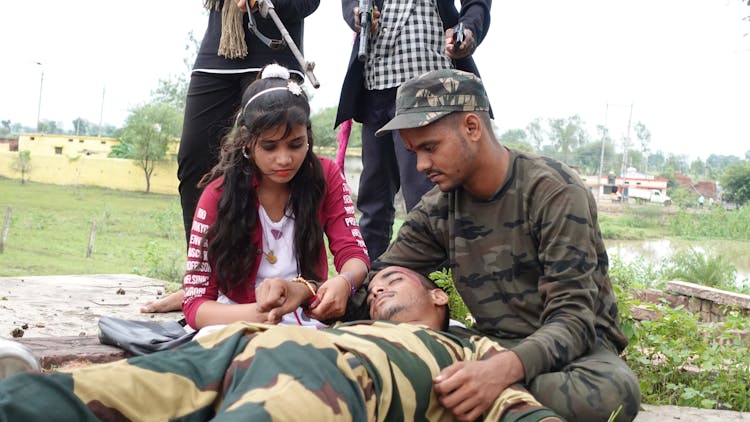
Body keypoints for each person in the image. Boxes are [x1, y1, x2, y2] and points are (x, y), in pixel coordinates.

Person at [354, 69, 641, 421]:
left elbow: (574, 318)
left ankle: (457, 394)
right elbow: (381, 277)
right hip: (488, 345)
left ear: (472, 128)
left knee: (610, 394)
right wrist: (315, 292)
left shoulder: (552, 192)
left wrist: (500, 372)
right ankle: (484, 399)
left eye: (429, 148)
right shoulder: (438, 208)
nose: (421, 165)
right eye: (414, 151)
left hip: (574, 352)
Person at [0, 267, 563, 422]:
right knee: (77, 394)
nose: (382, 285)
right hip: (231, 352)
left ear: (440, 300)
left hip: (323, 377)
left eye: (399, 280)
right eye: (378, 283)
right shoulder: (356, 323)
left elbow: (516, 409)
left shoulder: (466, 351)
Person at [174, 65, 370, 330]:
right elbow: (197, 303)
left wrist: (345, 282)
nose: (284, 159)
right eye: (269, 146)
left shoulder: (325, 175)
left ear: (308, 137)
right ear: (246, 143)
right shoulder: (218, 195)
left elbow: (354, 252)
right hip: (234, 324)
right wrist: (261, 314)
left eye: (296, 144)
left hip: (308, 321)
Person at [333, 0, 491, 260]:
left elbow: (476, 4)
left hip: (429, 85)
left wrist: (468, 29)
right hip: (377, 81)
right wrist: (357, 16)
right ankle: (371, 282)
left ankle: (432, 283)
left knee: (426, 197)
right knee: (374, 199)